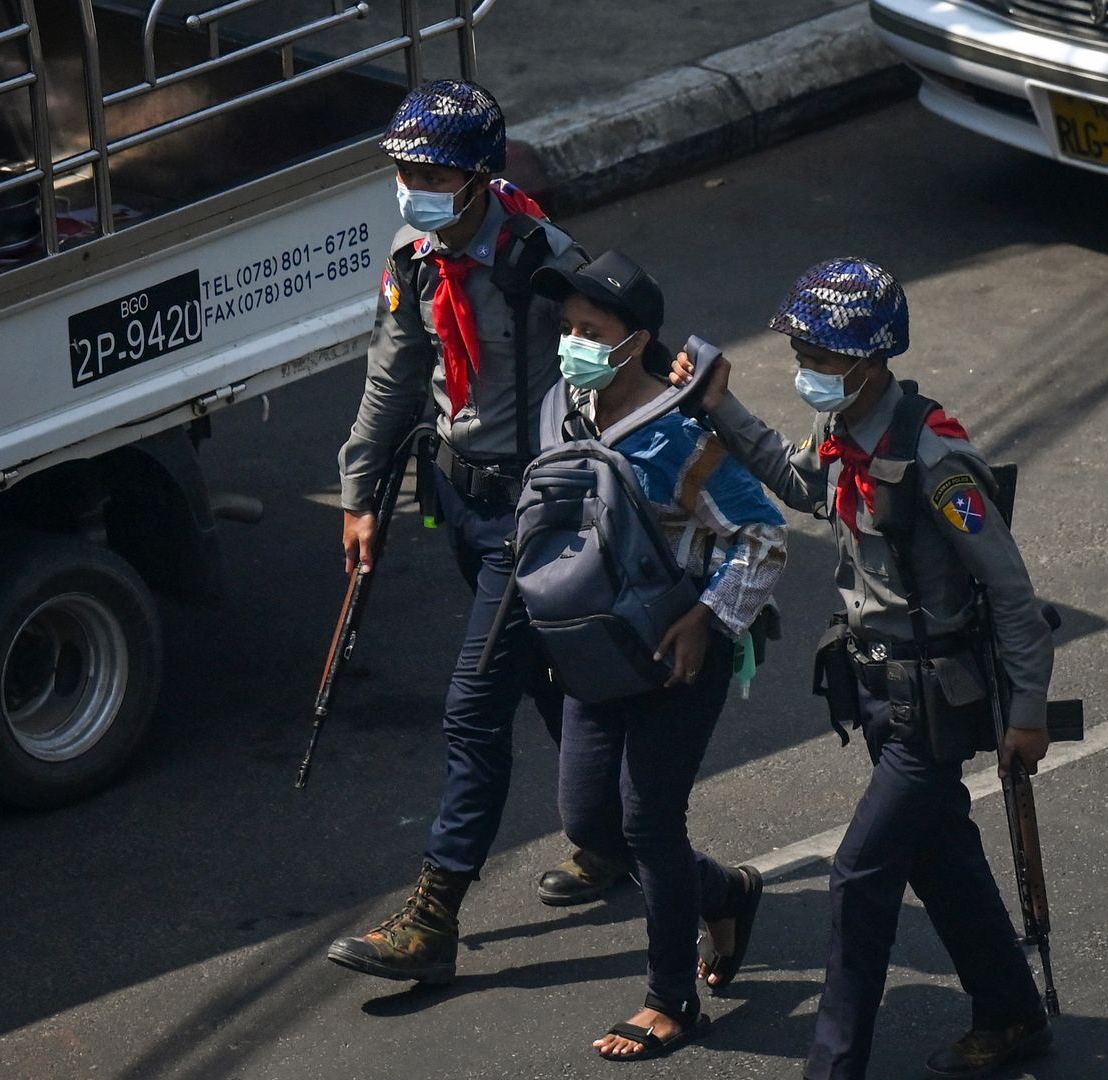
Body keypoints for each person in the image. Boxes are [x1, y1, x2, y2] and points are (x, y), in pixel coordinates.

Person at [672, 258, 1055, 1079]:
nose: (805, 366)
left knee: (858, 876)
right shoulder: (844, 431)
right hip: (877, 690)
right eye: (801, 350)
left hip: (930, 702)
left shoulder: (933, 454)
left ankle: (833, 1067)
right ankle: (1013, 1014)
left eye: (819, 353)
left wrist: (1029, 713)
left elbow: (1012, 591)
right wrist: (721, 407)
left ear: (870, 358)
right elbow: (801, 486)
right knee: (939, 856)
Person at [325, 79, 617, 986]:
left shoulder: (542, 260)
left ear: (481, 177)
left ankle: (434, 913)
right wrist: (360, 494)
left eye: (435, 173)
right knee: (544, 681)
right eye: (406, 169)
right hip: (457, 500)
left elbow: (610, 370)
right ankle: (616, 837)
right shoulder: (414, 259)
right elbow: (394, 379)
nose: (415, 185)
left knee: (473, 708)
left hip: (532, 515)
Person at [532, 251, 785, 1061]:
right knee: (591, 820)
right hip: (595, 649)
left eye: (591, 332)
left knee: (648, 821)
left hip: (679, 651)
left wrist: (708, 620)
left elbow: (764, 535)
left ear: (634, 341)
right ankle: (727, 893)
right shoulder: (562, 409)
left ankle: (671, 999)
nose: (572, 344)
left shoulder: (681, 439)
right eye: (566, 328)